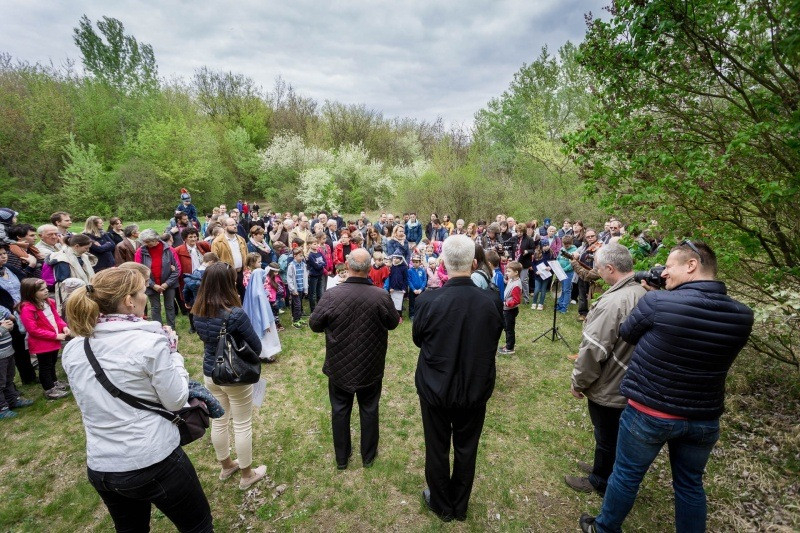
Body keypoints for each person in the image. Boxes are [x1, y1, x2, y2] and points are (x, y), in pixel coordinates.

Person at [580, 241, 754, 533]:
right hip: (703, 416)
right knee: (690, 484)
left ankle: (605, 528)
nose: (663, 273)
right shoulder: (742, 315)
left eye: (669, 267)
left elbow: (628, 333)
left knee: (626, 474)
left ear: (691, 265)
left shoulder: (658, 302)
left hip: (650, 411)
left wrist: (656, 296)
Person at [61, 268, 213, 531]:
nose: (147, 296)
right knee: (198, 527)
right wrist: (174, 354)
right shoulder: (148, 344)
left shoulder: (75, 347)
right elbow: (176, 400)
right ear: (129, 301)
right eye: (143, 291)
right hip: (152, 461)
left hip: (102, 464)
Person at [413, 235, 504, 522]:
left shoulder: (430, 301)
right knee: (464, 448)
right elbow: (419, 339)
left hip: (441, 387)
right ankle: (454, 504)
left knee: (438, 447)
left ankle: (446, 505)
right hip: (467, 387)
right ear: (474, 264)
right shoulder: (489, 300)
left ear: (443, 263)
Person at [565, 243, 646, 496]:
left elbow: (594, 349)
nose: (597, 273)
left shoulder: (614, 302)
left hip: (611, 383)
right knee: (611, 435)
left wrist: (578, 382)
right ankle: (603, 468)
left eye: (599, 268)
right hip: (628, 378)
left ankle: (599, 480)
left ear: (610, 268)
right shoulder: (641, 291)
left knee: (606, 435)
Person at [309, 248, 400, 469]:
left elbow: (392, 323)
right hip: (365, 364)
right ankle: (365, 456)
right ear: (369, 268)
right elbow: (315, 324)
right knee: (368, 408)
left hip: (344, 364)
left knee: (341, 409)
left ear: (348, 266)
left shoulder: (335, 295)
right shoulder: (378, 296)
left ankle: (345, 458)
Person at [192, 262, 267, 491]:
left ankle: (226, 466)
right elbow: (256, 346)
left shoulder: (198, 310)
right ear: (228, 283)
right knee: (242, 423)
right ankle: (247, 474)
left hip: (211, 373)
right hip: (234, 374)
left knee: (220, 420)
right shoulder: (235, 314)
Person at [18, 278, 72, 400]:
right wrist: (55, 336)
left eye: (46, 288)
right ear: (31, 293)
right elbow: (33, 330)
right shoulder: (27, 309)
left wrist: (63, 327)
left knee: (52, 362)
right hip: (42, 343)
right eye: (42, 290)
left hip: (54, 340)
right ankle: (49, 389)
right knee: (45, 366)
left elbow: (56, 318)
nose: (46, 291)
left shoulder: (49, 302)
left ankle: (54, 382)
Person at [134, 229, 180, 329]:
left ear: (156, 239)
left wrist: (166, 284)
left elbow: (177, 269)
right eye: (145, 242)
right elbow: (139, 271)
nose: (147, 244)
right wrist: (153, 285)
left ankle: (171, 328)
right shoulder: (140, 252)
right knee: (155, 307)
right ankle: (157, 329)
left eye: (149, 241)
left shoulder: (169, 249)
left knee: (170, 306)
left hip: (169, 283)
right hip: (150, 284)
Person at [242, 259, 281, 363]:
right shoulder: (259, 294)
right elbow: (262, 310)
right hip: (263, 321)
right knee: (265, 338)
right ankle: (265, 355)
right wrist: (266, 323)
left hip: (255, 321)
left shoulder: (252, 291)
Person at [212, 217, 248, 299]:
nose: (235, 226)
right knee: (231, 298)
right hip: (227, 275)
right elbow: (215, 261)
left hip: (241, 273)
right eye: (232, 225)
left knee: (244, 296)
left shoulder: (241, 239)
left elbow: (246, 254)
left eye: (235, 224)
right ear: (225, 227)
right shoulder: (217, 242)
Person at [498, 261, 522, 355]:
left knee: (509, 329)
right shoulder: (512, 279)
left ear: (516, 272)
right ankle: (508, 344)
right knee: (506, 328)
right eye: (506, 271)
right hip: (507, 310)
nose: (506, 273)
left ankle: (510, 348)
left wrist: (507, 303)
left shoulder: (516, 285)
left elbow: (517, 300)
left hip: (510, 310)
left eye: (508, 271)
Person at [286, 247, 308, 328]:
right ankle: (296, 321)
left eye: (302, 256)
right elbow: (289, 279)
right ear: (294, 256)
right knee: (297, 305)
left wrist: (305, 289)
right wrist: (292, 289)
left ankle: (297, 317)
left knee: (298, 304)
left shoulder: (303, 265)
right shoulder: (291, 266)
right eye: (300, 256)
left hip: (301, 288)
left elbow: (305, 277)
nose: (302, 257)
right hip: (295, 289)